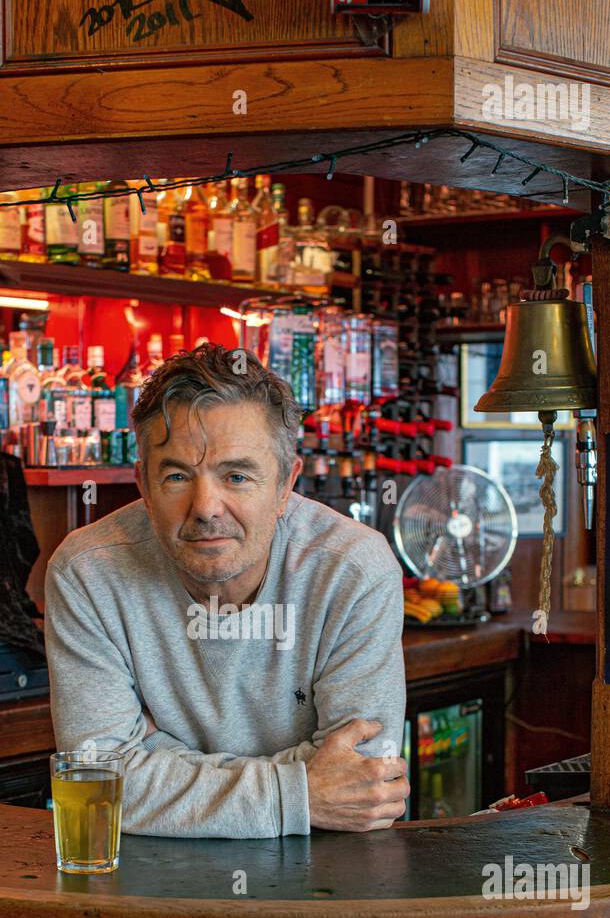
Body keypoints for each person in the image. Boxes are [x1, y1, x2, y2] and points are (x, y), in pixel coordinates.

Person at [44, 343, 408, 838]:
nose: (206, 507)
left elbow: (362, 775)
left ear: (285, 485)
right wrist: (298, 792)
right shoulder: (87, 571)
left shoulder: (353, 568)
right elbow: (97, 781)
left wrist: (154, 758)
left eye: (236, 476)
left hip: (324, 879)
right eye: (177, 476)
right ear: (144, 486)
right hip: (149, 886)